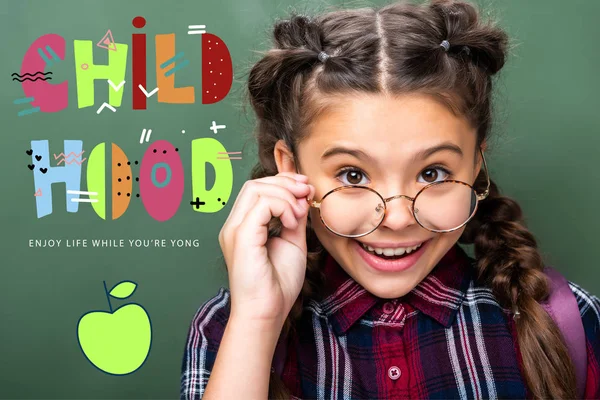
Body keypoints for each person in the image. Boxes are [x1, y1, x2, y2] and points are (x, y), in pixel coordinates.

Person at [180, 0, 600, 398]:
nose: (397, 217)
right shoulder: (228, 330)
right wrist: (256, 320)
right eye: (353, 175)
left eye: (432, 173)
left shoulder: (569, 321)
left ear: (475, 166)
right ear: (291, 170)